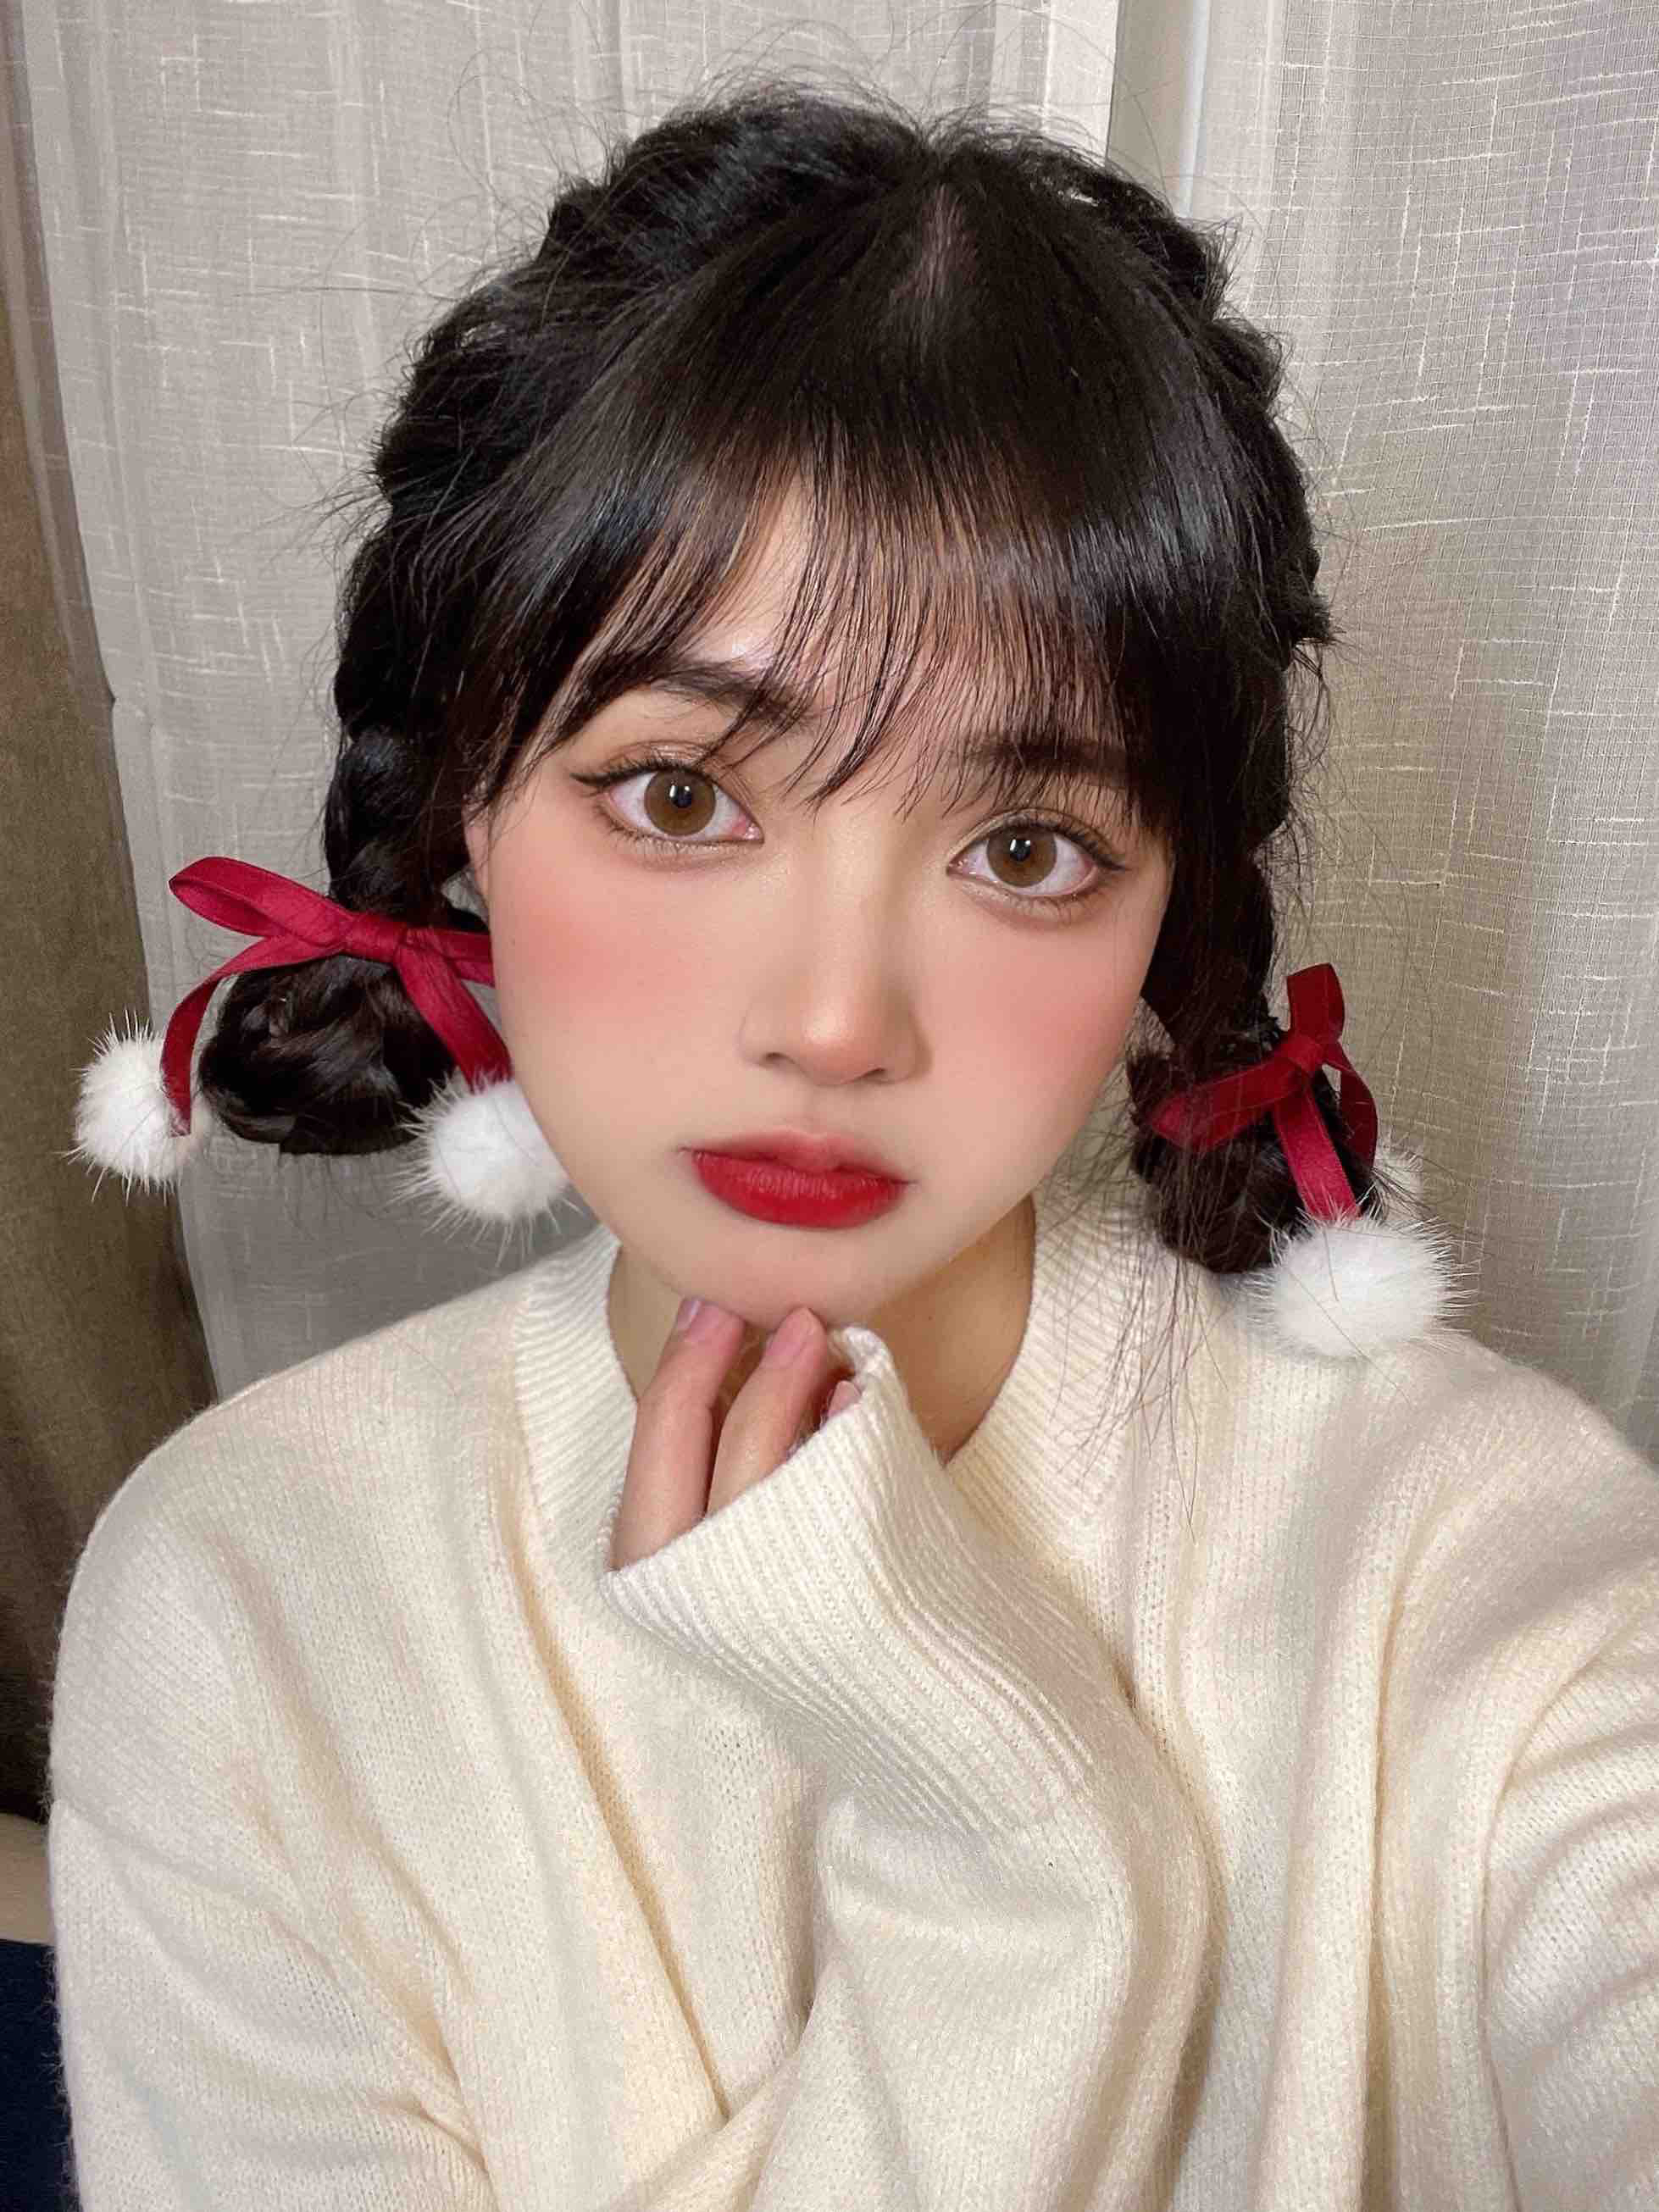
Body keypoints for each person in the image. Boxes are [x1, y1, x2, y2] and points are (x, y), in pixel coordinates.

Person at [50, 75, 1659, 2211]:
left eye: (1023, 844)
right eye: (681, 796)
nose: (832, 1018)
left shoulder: (1481, 1564)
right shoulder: (248, 1594)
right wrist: (1004, 1852)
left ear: (1169, 914)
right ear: (461, 817)